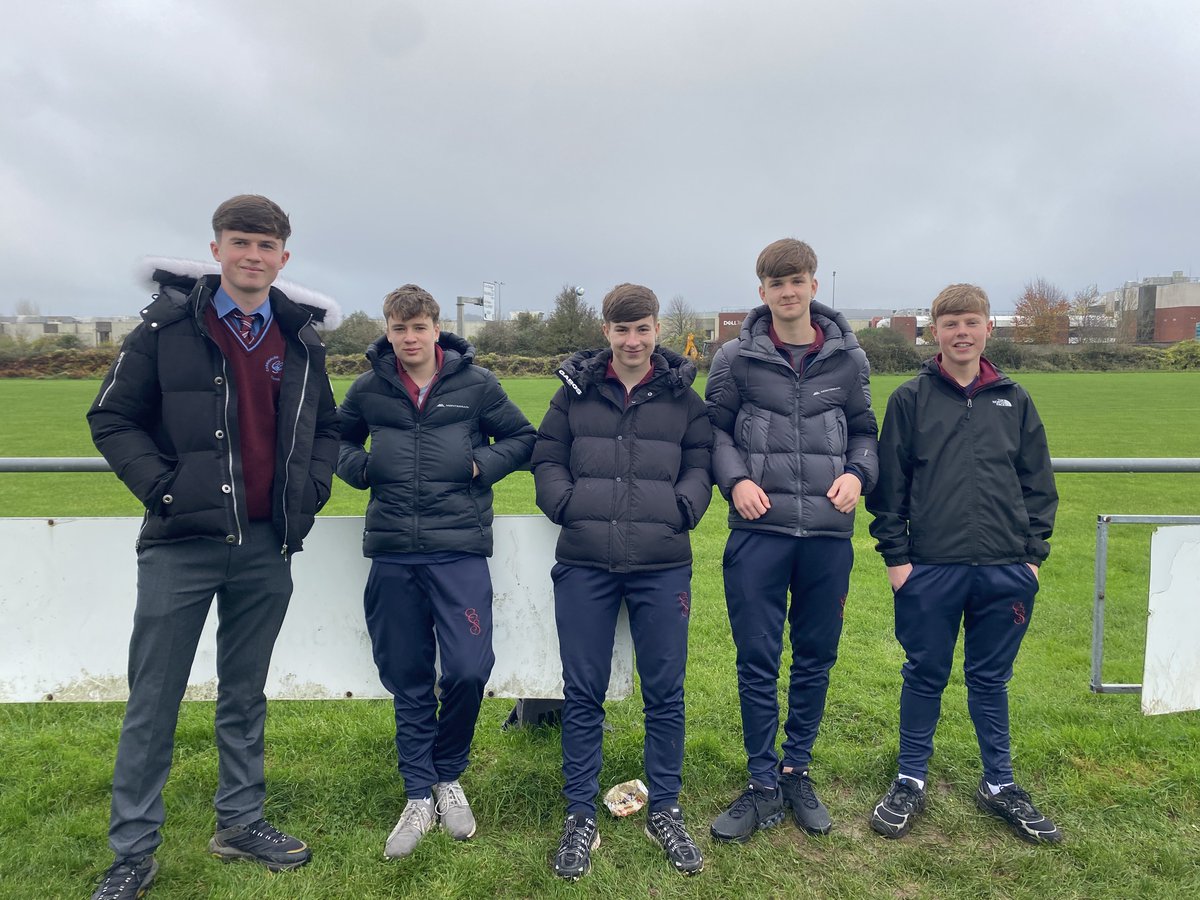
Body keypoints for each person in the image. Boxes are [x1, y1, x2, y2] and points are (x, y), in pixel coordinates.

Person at [86, 195, 340, 899]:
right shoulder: (168, 327)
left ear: (283, 259)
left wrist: (310, 489)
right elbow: (111, 418)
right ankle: (133, 850)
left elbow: (328, 428)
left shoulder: (300, 340)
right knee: (154, 699)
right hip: (181, 545)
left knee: (244, 693)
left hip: (266, 545)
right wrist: (164, 491)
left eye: (266, 247)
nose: (252, 257)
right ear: (217, 248)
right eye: (240, 242)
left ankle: (240, 821)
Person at [337, 284, 535, 858]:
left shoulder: (476, 384)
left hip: (459, 551)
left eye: (418, 327)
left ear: (435, 327)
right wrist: (364, 468)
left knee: (470, 669)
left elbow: (523, 437)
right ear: (388, 330)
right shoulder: (371, 387)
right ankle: (418, 792)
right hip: (395, 551)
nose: (409, 339)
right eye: (398, 330)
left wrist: (480, 464)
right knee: (408, 675)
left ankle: (448, 775)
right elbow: (333, 437)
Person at [865, 283, 1061, 844]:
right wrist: (898, 560)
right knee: (924, 675)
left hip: (1005, 568)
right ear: (935, 331)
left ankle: (999, 783)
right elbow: (890, 490)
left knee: (989, 678)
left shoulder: (1015, 399)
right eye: (950, 323)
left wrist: (1032, 558)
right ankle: (909, 779)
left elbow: (1038, 485)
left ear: (987, 329)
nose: (962, 332)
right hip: (930, 568)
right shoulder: (910, 398)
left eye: (971, 322)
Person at [531, 284, 713, 880]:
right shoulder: (574, 392)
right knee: (582, 693)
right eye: (621, 329)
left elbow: (701, 463)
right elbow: (547, 456)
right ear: (605, 330)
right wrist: (566, 503)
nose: (632, 341)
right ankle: (580, 813)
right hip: (586, 561)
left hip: (662, 565)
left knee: (666, 693)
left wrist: (680, 509)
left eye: (642, 329)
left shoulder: (685, 397)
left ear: (657, 328)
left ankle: (665, 806)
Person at [706, 238, 878, 843]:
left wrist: (858, 474)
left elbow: (864, 433)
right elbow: (713, 434)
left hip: (827, 537)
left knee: (815, 657)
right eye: (776, 283)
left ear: (813, 285)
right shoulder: (733, 359)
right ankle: (760, 783)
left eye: (797, 281)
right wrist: (736, 481)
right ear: (762, 292)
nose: (787, 292)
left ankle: (796, 769)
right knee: (756, 659)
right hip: (759, 532)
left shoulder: (848, 360)